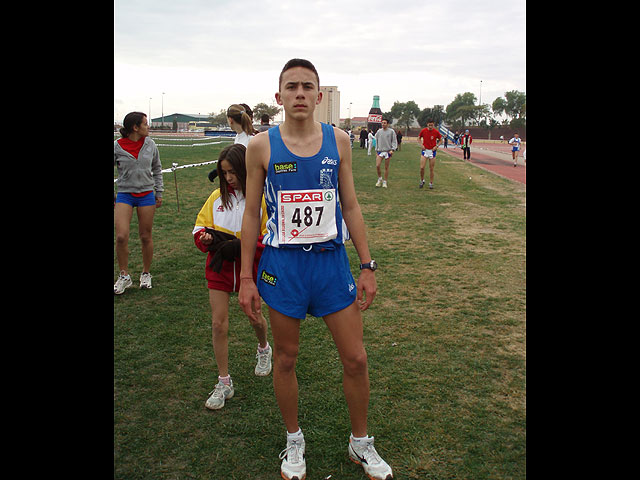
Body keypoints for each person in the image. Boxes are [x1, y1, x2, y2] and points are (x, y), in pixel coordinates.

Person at [238, 58, 393, 480]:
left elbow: (352, 205)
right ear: (280, 96)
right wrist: (246, 277)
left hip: (329, 264)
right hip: (282, 267)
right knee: (286, 358)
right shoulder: (260, 146)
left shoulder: (339, 141)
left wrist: (367, 264)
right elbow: (251, 213)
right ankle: (294, 439)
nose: (300, 93)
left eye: (308, 86)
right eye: (292, 87)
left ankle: (360, 443)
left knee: (356, 358)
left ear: (319, 96)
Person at [193, 143, 272, 410]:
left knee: (254, 316)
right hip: (219, 269)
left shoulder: (260, 199)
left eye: (233, 172)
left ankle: (263, 348)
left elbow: (268, 237)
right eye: (224, 173)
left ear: (244, 169)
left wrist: (241, 246)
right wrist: (205, 238)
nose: (228, 178)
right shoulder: (216, 197)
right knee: (218, 324)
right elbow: (199, 227)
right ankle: (224, 381)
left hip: (251, 270)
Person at [114, 112, 164, 294]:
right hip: (125, 194)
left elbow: (157, 169)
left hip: (146, 195)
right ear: (135, 127)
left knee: (145, 236)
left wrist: (159, 192)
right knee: (121, 236)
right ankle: (124, 276)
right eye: (145, 123)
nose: (148, 126)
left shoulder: (150, 145)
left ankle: (146, 273)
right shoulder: (117, 147)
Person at [417, 119, 443, 189]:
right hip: (425, 150)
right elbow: (418, 138)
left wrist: (436, 146)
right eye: (429, 125)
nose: (430, 126)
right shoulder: (423, 131)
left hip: (432, 151)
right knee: (422, 167)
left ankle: (431, 183)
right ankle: (422, 180)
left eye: (432, 125)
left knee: (431, 168)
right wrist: (421, 145)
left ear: (433, 125)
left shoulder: (436, 132)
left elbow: (441, 140)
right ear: (427, 124)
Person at [374, 118, 397, 188]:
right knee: (377, 165)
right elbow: (376, 140)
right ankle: (380, 178)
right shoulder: (379, 131)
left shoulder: (391, 131)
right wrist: (376, 150)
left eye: (385, 123)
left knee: (386, 167)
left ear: (388, 124)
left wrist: (392, 150)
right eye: (382, 123)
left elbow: (394, 141)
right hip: (380, 151)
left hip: (388, 151)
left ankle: (385, 181)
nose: (383, 124)